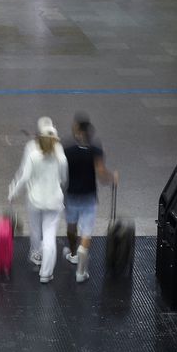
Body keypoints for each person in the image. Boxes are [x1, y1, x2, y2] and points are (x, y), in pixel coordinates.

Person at [9, 118, 69, 283]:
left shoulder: (33, 154)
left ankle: (36, 253)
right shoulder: (61, 156)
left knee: (35, 228)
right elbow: (64, 179)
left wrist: (13, 193)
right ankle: (46, 273)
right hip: (54, 201)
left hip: (35, 199)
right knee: (49, 236)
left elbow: (24, 177)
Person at [62, 115, 118, 283]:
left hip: (71, 195)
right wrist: (112, 177)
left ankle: (73, 254)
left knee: (71, 227)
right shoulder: (96, 149)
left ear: (78, 131)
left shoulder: (68, 149)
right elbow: (102, 175)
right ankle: (81, 272)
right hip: (89, 196)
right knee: (86, 231)